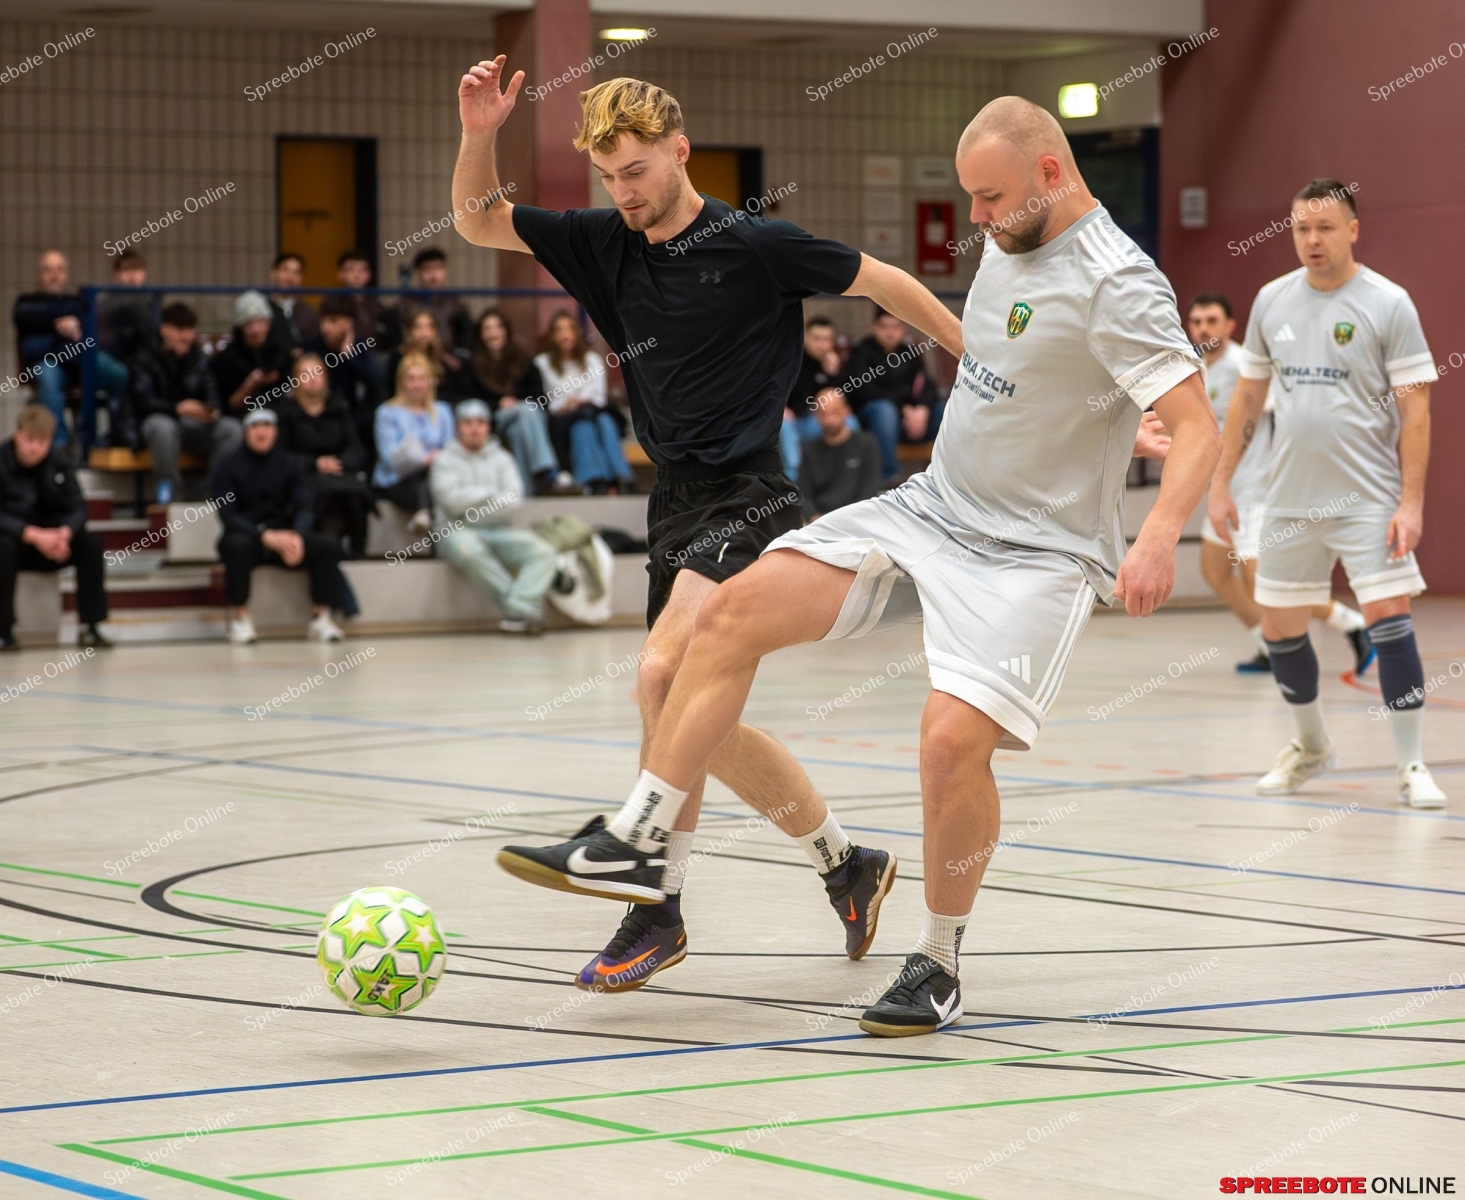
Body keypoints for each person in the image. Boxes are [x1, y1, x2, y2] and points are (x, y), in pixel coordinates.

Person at [497, 96, 1221, 1035]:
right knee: (725, 619)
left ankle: (938, 959)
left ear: (1050, 174)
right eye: (969, 197)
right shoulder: (1011, 237)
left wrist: (1158, 533)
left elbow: (1199, 427)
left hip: (1034, 552)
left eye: (988, 197)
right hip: (934, 507)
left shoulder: (1118, 278)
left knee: (948, 744)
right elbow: (1018, 371)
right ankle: (640, 840)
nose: (974, 218)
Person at [453, 62, 965, 993]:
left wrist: (982, 362)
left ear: (679, 151)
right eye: (608, 176)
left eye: (637, 171)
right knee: (693, 719)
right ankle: (845, 863)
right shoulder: (603, 242)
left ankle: (653, 897)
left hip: (749, 494)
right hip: (673, 501)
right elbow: (478, 221)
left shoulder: (754, 244)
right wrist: (480, 132)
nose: (624, 191)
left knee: (660, 675)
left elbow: (884, 280)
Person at [1209, 179, 1445, 809]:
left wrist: (1412, 502)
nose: (1312, 240)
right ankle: (1311, 746)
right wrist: (1220, 482)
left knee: (1389, 617)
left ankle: (1412, 763)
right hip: (1288, 496)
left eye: (1325, 228)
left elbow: (1416, 412)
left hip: (1370, 497)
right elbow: (1248, 400)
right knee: (1280, 626)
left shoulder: (1389, 304)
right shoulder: (1272, 300)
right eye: (1301, 229)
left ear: (1353, 230)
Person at [1190, 293, 1372, 674]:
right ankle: (1267, 645)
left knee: (1263, 584)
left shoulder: (1244, 365)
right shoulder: (1196, 369)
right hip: (1221, 493)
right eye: (1197, 321)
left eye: (1211, 320)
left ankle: (1352, 624)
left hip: (1254, 491)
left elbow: (1281, 410)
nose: (1203, 328)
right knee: (1215, 571)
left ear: (1230, 326)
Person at [212, 407, 347, 645]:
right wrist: (263, 535)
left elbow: (304, 505)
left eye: (267, 426)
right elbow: (228, 514)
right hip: (250, 534)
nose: (261, 432)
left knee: (327, 545)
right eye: (255, 427)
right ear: (246, 432)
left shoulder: (291, 464)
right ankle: (240, 617)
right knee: (235, 546)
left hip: (286, 533)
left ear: (275, 431)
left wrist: (298, 534)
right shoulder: (227, 465)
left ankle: (321, 616)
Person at [431, 399, 558, 633]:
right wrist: (492, 494)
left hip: (500, 529)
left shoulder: (503, 459)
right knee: (469, 551)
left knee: (543, 552)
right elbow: (451, 501)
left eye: (480, 423)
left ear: (488, 427)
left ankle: (519, 607)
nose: (474, 429)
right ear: (458, 428)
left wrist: (472, 497)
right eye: (468, 423)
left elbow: (514, 499)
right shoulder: (444, 460)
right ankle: (522, 610)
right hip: (456, 529)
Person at [0, 406, 111, 650]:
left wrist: (64, 533)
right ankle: (3, 631)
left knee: (91, 544)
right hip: (17, 543)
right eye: (29, 439)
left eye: (42, 441)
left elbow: (79, 507)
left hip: (55, 544)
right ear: (17, 435)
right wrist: (31, 534)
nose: (34, 448)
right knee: (2, 547)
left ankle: (90, 627)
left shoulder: (60, 463)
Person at [11, 249, 128, 452]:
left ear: (66, 274)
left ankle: (119, 435)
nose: (54, 275)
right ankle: (60, 446)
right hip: (50, 363)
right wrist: (59, 326)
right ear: (38, 274)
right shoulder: (26, 303)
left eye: (60, 270)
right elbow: (29, 336)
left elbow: (92, 329)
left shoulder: (78, 303)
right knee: (47, 375)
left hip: (78, 361)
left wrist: (69, 328)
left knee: (118, 372)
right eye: (48, 270)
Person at [128, 303, 243, 505]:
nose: (186, 336)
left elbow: (212, 395)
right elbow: (141, 401)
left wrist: (210, 411)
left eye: (190, 329)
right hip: (155, 422)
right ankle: (170, 497)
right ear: (164, 330)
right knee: (162, 428)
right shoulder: (144, 357)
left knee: (232, 430)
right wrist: (177, 408)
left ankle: (209, 495)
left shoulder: (199, 359)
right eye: (180, 329)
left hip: (193, 424)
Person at [454, 309, 561, 492]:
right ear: (480, 334)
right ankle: (547, 469)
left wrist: (515, 402)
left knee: (519, 428)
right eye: (487, 328)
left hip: (524, 420)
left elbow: (540, 399)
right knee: (526, 410)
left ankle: (525, 490)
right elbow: (467, 400)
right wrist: (499, 404)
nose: (493, 333)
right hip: (493, 419)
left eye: (497, 327)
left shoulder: (525, 360)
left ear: (506, 330)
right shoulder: (470, 365)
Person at [276, 353, 372, 558]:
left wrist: (339, 462)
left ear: (326, 378)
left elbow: (356, 448)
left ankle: (357, 552)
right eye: (305, 374)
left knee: (356, 493)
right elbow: (281, 455)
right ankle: (315, 549)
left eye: (317, 373)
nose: (312, 379)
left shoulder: (340, 407)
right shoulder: (286, 412)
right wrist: (314, 463)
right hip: (304, 473)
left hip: (339, 471)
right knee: (313, 494)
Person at [534, 310, 633, 494]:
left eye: (569, 329)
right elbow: (546, 399)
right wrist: (567, 404)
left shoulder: (592, 360)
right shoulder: (542, 363)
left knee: (603, 421)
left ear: (577, 333)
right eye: (559, 330)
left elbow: (599, 397)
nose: (564, 335)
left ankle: (620, 476)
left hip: (592, 412)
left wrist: (579, 401)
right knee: (582, 426)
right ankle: (596, 479)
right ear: (551, 335)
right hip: (561, 418)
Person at [843, 307, 943, 480]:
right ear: (874, 327)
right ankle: (889, 477)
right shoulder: (861, 351)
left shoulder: (911, 353)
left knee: (944, 409)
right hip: (875, 418)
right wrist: (903, 409)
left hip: (912, 421)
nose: (890, 333)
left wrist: (923, 409)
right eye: (884, 327)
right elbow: (864, 390)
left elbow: (926, 385)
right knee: (885, 411)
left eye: (896, 327)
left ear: (904, 329)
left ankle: (941, 474)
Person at [372, 351, 455, 532]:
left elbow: (450, 448)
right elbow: (388, 457)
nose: (417, 384)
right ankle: (426, 514)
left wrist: (436, 459)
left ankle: (428, 515)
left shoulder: (442, 411)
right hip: (398, 478)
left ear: (430, 382)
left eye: (422, 378)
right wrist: (426, 460)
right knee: (427, 484)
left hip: (435, 473)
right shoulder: (387, 412)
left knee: (439, 479)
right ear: (401, 382)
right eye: (411, 379)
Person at [302, 294, 387, 457]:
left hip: (350, 414)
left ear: (348, 323)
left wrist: (348, 355)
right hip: (317, 414)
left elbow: (376, 383)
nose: (325, 327)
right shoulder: (312, 347)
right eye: (323, 320)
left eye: (333, 321)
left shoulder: (360, 346)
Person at [96, 252, 157, 447]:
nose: (132, 276)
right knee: (123, 375)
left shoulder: (154, 302)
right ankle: (119, 433)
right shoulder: (104, 302)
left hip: (143, 361)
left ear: (145, 274)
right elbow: (102, 340)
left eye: (136, 270)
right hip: (116, 360)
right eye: (126, 270)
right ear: (115, 275)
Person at [780, 316, 846, 480]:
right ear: (806, 338)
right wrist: (781, 408)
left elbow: (840, 400)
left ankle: (844, 475)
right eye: (817, 338)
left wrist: (832, 375)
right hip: (794, 419)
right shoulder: (792, 360)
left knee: (849, 422)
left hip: (817, 418)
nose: (822, 344)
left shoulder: (833, 364)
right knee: (784, 424)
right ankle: (794, 479)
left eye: (827, 339)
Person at [800, 386, 882, 519]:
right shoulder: (809, 450)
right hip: (821, 520)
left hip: (856, 519)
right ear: (816, 416)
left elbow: (870, 489)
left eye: (834, 412)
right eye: (823, 414)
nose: (829, 419)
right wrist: (814, 517)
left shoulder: (866, 444)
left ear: (846, 411)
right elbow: (803, 493)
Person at [211, 291, 292, 416]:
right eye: (249, 323)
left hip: (281, 415)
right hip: (243, 416)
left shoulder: (281, 353)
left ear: (269, 323)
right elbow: (228, 406)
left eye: (261, 321)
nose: (256, 329)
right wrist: (251, 384)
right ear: (240, 327)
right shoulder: (227, 360)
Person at [385, 307, 469, 403]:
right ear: (409, 331)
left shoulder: (443, 359)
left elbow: (451, 392)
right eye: (418, 327)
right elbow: (392, 390)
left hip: (439, 406)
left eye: (429, 327)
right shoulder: (398, 357)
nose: (424, 333)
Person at [407, 247, 474, 353]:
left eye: (438, 268)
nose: (433, 275)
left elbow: (467, 336)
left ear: (445, 271)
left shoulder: (456, 303)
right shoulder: (406, 303)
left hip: (448, 357)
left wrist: (458, 355)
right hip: (413, 356)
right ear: (418, 271)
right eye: (427, 269)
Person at [336, 249, 390, 348]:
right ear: (341, 274)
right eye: (351, 270)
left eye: (362, 270)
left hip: (374, 351)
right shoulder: (333, 301)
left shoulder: (376, 303)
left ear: (369, 274)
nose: (357, 275)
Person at [267, 252, 318, 351]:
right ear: (273, 273)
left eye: (296, 272)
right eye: (285, 270)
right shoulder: (262, 308)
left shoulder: (309, 314)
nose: (290, 277)